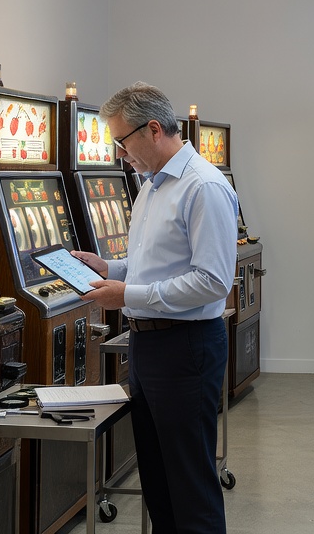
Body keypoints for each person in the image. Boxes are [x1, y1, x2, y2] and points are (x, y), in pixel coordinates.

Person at [73, 81, 237, 534]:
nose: (119, 155)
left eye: (121, 142)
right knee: (159, 482)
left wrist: (125, 296)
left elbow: (212, 282)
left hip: (186, 348)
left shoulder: (203, 187)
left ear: (152, 129)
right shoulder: (151, 185)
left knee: (190, 485)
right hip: (147, 347)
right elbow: (156, 261)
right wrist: (112, 267)